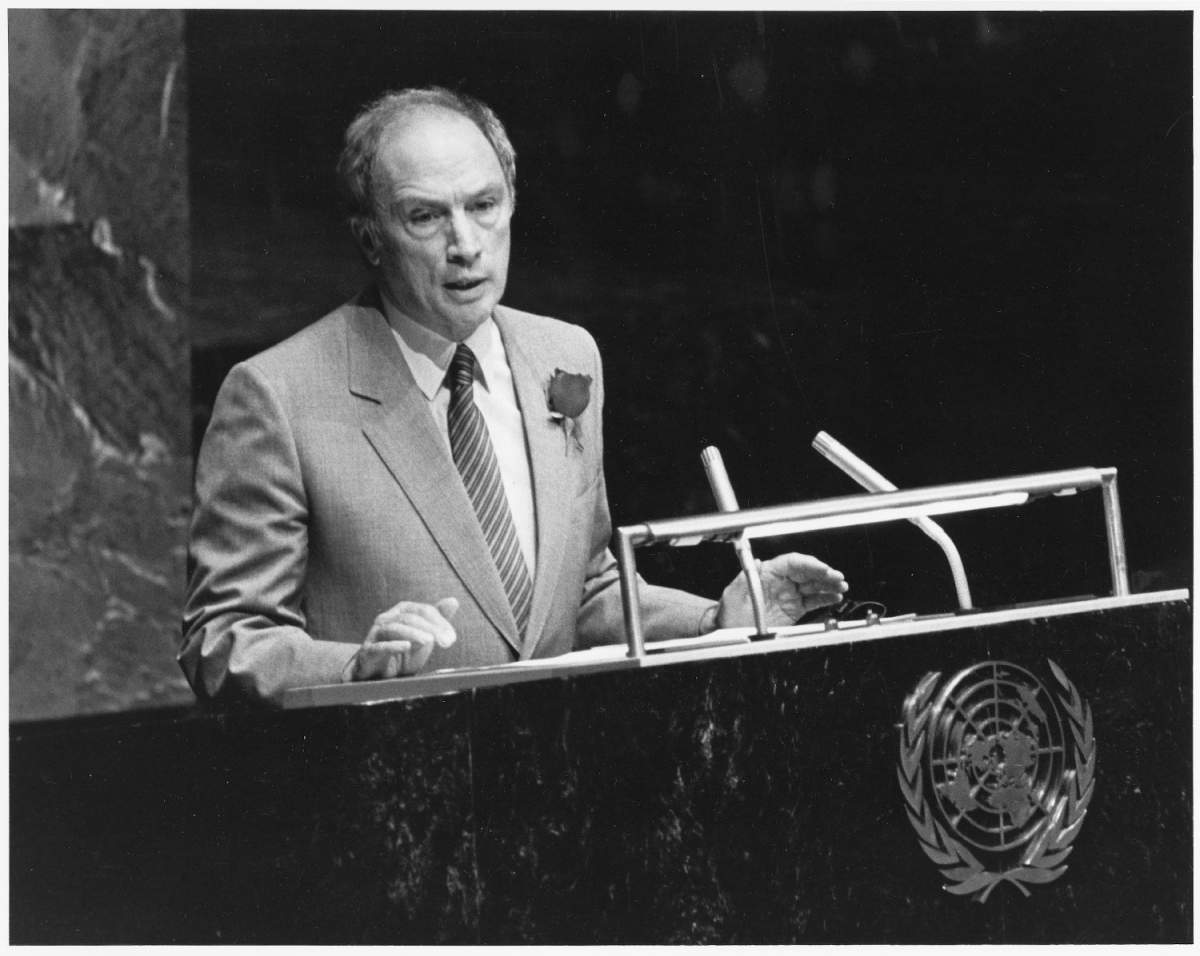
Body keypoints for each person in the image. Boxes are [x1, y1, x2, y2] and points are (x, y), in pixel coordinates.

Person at [180, 87, 848, 702]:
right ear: (370, 239)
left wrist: (716, 620)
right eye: (424, 217)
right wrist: (354, 669)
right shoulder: (277, 396)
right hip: (395, 800)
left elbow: (580, 591)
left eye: (482, 206)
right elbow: (222, 640)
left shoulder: (566, 356)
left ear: (512, 204)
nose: (464, 244)